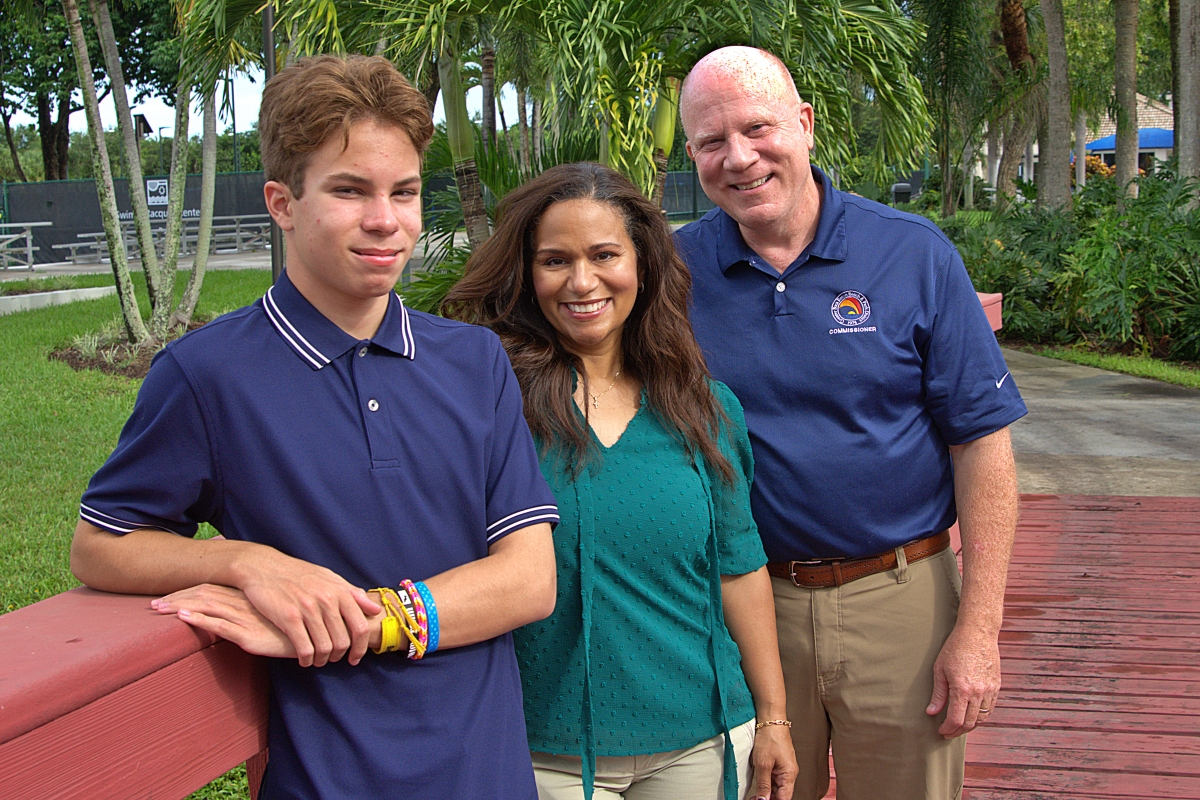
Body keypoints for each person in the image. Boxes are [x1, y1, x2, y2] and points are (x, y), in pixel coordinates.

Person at [69, 55, 560, 799]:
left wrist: (371, 623)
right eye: (349, 190)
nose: (385, 221)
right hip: (322, 780)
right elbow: (101, 546)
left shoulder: (474, 360)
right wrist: (243, 562)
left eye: (404, 191)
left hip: (485, 774)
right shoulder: (206, 376)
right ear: (281, 202)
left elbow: (528, 580)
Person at [673, 47, 1027, 800]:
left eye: (757, 128)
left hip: (902, 598)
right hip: (743, 607)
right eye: (711, 142)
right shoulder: (669, 275)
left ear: (804, 125)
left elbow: (982, 445)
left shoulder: (912, 254)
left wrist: (979, 629)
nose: (738, 158)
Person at [443, 162, 798, 800]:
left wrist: (772, 717)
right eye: (554, 260)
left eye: (605, 254)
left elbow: (739, 572)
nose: (582, 281)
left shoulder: (706, 409)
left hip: (703, 740)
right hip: (538, 749)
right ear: (525, 274)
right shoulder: (487, 407)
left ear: (643, 265)